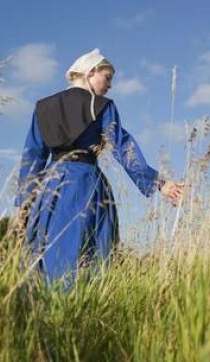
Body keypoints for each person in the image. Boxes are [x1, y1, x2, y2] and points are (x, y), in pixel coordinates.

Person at [14, 48, 184, 283]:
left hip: (49, 189)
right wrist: (159, 183)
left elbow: (32, 157)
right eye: (108, 77)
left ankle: (43, 313)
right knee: (90, 253)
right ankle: (82, 311)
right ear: (91, 72)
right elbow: (123, 147)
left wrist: (23, 204)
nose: (110, 85)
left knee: (46, 250)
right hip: (86, 185)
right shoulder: (103, 106)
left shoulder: (44, 107)